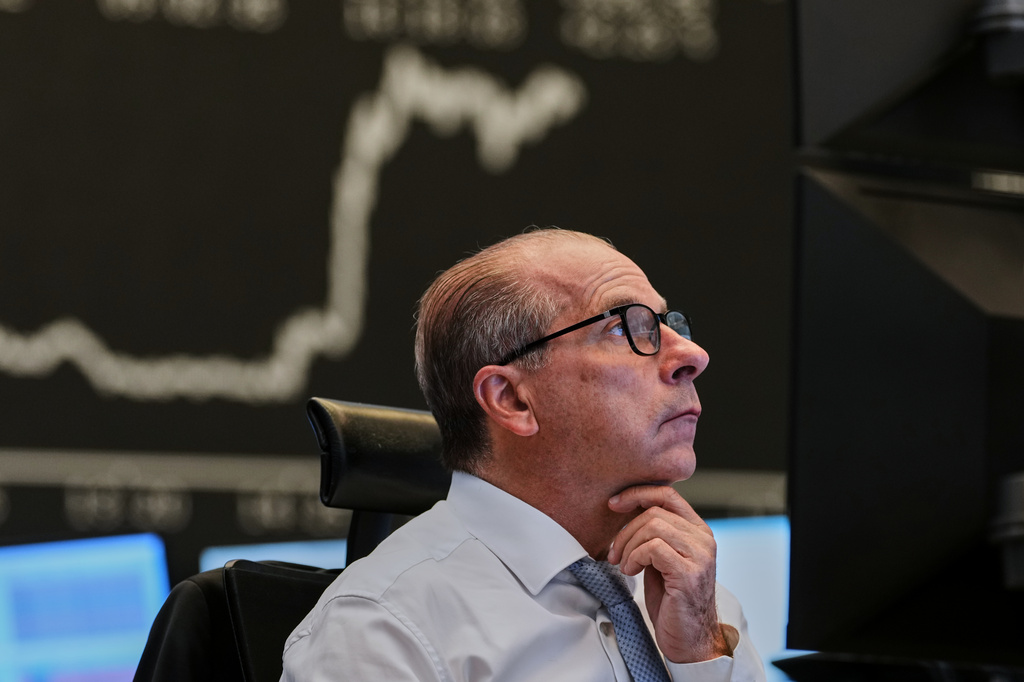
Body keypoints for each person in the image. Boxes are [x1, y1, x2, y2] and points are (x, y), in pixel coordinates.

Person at [280, 228, 765, 681]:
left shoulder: (693, 596)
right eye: (624, 328)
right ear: (512, 399)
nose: (693, 355)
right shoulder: (380, 632)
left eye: (666, 322)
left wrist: (701, 657)